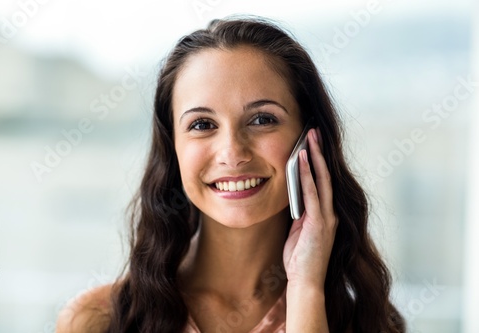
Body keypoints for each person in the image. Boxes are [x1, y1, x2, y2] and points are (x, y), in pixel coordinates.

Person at [56, 17, 406, 333]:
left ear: (309, 138)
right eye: (202, 125)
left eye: (262, 119)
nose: (232, 153)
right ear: (173, 149)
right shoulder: (98, 320)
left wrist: (305, 290)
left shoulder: (368, 323)